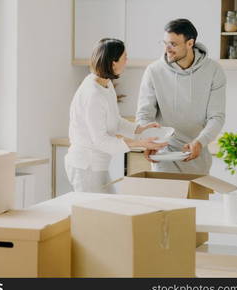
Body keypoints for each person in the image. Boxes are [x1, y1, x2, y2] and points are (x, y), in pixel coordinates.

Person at [65, 38, 167, 193]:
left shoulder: (105, 84)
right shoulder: (93, 95)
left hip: (98, 165)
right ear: (113, 63)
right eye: (124, 57)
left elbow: (116, 121)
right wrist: (140, 143)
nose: (127, 61)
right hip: (86, 166)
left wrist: (140, 129)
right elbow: (100, 141)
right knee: (96, 214)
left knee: (107, 209)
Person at [136, 19, 226, 174]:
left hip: (197, 153)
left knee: (196, 198)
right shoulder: (154, 71)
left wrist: (200, 141)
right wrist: (149, 141)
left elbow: (216, 117)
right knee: (166, 198)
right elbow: (144, 114)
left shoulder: (214, 71)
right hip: (163, 154)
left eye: (173, 44)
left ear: (190, 43)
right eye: (164, 43)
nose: (167, 49)